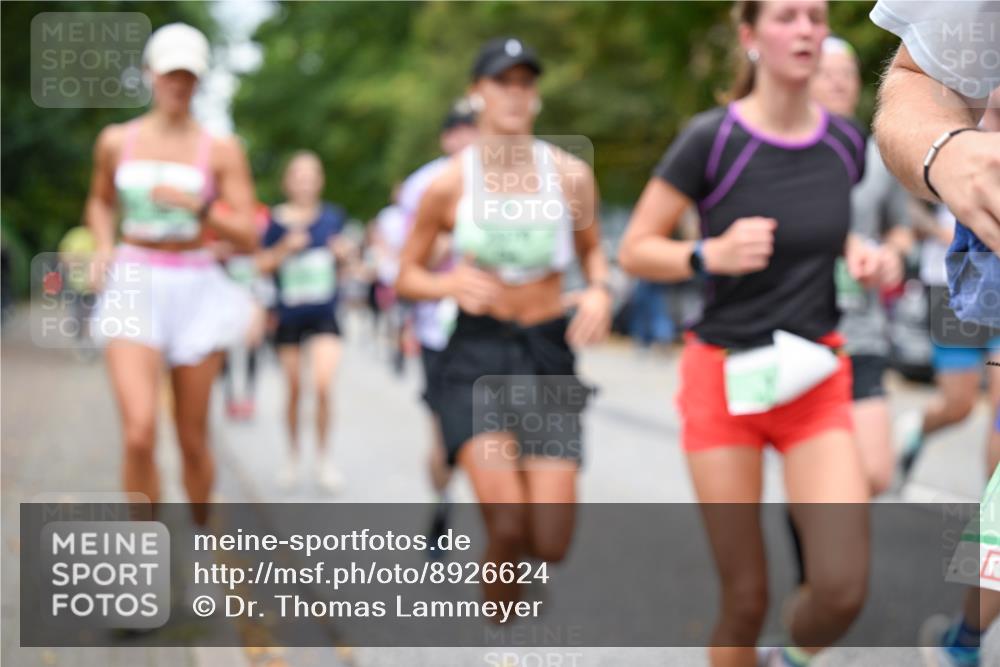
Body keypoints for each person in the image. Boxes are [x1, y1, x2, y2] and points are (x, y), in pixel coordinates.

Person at [618, 2, 892, 665]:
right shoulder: (711, 139)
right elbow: (634, 249)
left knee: (842, 588)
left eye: (816, 17)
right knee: (745, 598)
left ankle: (790, 656)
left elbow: (822, 224)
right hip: (724, 378)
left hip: (815, 375)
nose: (804, 29)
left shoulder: (846, 142)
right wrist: (705, 255)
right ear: (749, 37)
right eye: (785, 17)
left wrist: (861, 252)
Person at [396, 36, 612, 608]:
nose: (515, 95)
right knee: (511, 522)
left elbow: (593, 253)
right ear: (476, 94)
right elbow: (406, 275)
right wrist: (447, 284)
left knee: (552, 540)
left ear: (536, 96)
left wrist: (598, 291)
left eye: (525, 83)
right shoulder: (449, 183)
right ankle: (503, 615)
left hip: (545, 352)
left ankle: (509, 576)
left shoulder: (568, 175)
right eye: (502, 82)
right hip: (475, 355)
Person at [85, 23, 258, 523]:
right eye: (169, 75)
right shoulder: (116, 141)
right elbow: (99, 202)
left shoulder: (222, 149)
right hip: (135, 279)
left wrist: (197, 205)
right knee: (139, 432)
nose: (178, 85)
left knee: (192, 438)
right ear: (149, 75)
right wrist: (101, 245)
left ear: (199, 82)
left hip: (196, 283)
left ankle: (203, 537)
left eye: (188, 76)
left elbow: (248, 233)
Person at [871, 3, 1000, 663]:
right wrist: (947, 159)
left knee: (983, 436)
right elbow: (915, 92)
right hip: (962, 283)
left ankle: (967, 632)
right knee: (960, 404)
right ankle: (969, 633)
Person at [809, 34, 913, 495]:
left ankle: (830, 549)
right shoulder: (785, 149)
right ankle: (817, 562)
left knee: (875, 472)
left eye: (846, 75)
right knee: (812, 467)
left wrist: (893, 254)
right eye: (825, 74)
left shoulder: (877, 155)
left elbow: (902, 229)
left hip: (863, 330)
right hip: (802, 330)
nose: (837, 83)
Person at [396, 100, 478, 553]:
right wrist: (446, 243)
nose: (469, 140)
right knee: (446, 437)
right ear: (448, 138)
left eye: (476, 130)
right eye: (461, 131)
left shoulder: (507, 182)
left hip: (494, 328)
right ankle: (443, 508)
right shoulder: (424, 186)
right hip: (437, 328)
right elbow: (408, 267)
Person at [258, 151, 351, 493]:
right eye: (298, 176)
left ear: (320, 181)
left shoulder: (333, 218)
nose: (305, 182)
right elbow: (261, 265)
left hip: (325, 314)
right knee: (295, 388)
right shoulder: (275, 222)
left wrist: (345, 255)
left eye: (312, 176)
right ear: (288, 182)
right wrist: (284, 248)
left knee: (323, 385)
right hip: (289, 317)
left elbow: (347, 264)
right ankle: (293, 456)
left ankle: (324, 459)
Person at [57, 224, 100, 359]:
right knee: (78, 314)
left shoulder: (101, 235)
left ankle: (87, 341)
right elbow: (63, 256)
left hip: (95, 285)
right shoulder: (76, 235)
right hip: (76, 284)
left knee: (92, 314)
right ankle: (81, 339)